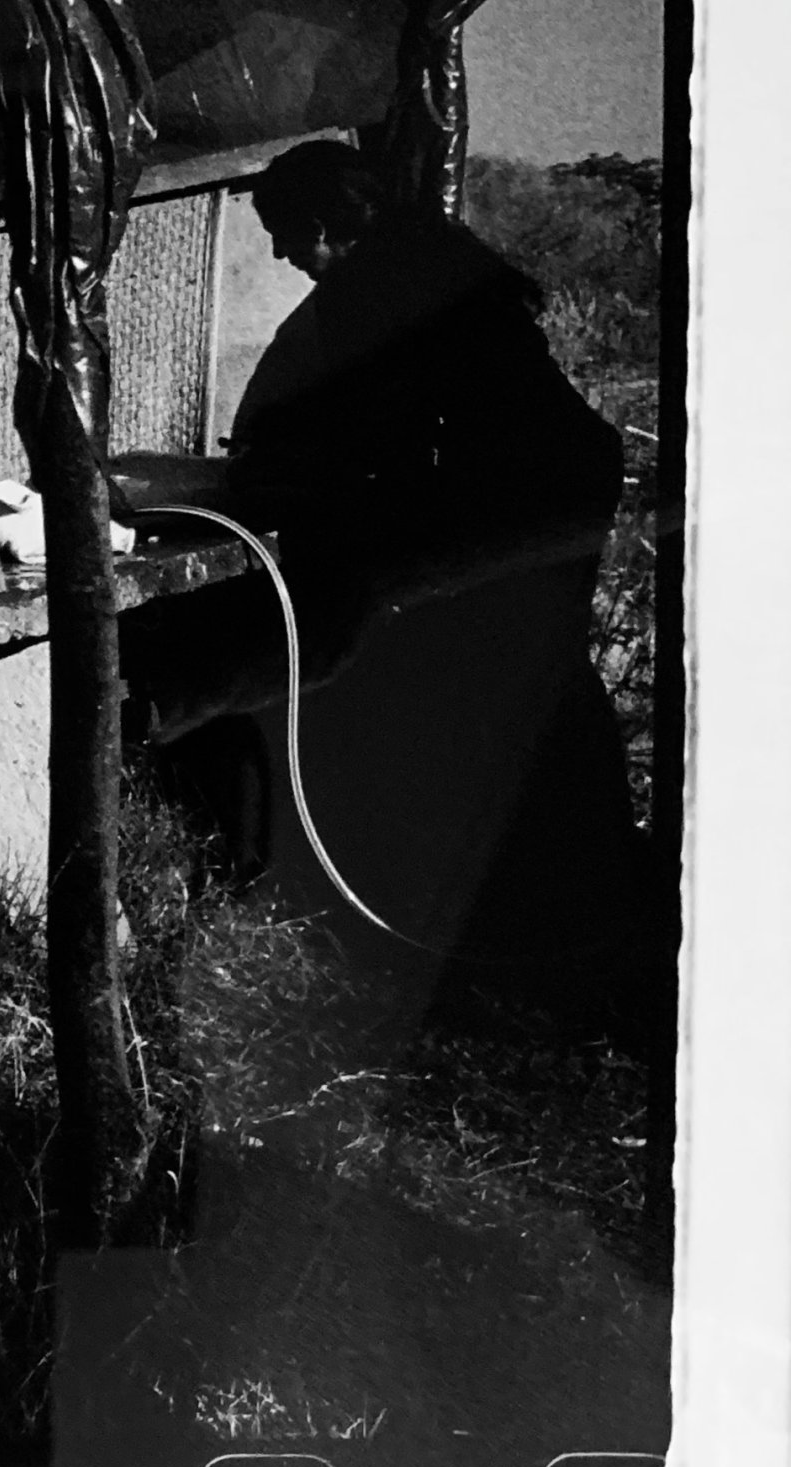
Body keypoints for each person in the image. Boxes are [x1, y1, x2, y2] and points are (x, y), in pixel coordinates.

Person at [122, 141, 668, 1058]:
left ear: (326, 223)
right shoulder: (421, 258)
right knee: (532, 693)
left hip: (525, 509)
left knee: (420, 650)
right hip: (550, 494)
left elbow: (346, 446)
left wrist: (234, 483)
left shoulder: (383, 285)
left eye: (285, 235)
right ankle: (568, 930)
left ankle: (548, 944)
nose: (282, 255)